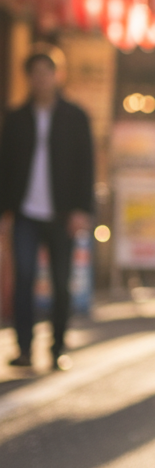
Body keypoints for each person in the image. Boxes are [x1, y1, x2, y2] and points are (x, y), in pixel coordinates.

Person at [0, 50, 94, 371]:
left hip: (63, 212)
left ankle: (57, 348)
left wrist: (82, 209)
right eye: (35, 73)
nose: (41, 79)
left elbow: (86, 167)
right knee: (23, 278)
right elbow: (5, 168)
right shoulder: (16, 117)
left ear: (58, 75)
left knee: (61, 280)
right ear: (28, 78)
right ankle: (24, 348)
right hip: (25, 212)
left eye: (47, 72)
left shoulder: (75, 116)